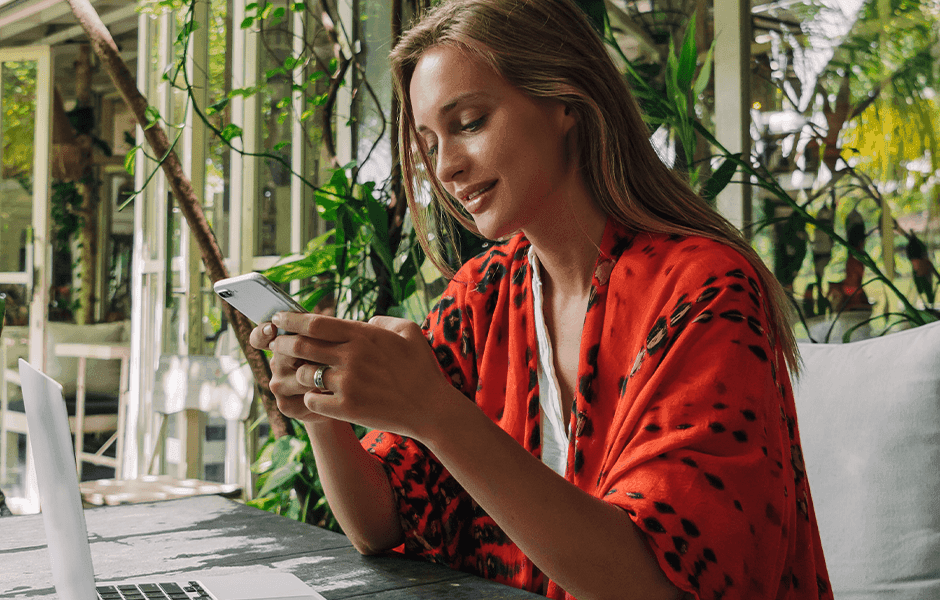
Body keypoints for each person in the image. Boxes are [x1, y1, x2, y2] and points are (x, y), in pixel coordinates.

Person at [250, 0, 832, 597]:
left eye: (470, 122)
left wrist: (435, 413)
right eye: (430, 140)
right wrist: (320, 409)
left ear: (565, 103)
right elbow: (379, 525)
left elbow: (655, 585)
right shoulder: (482, 295)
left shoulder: (703, 291)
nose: (445, 166)